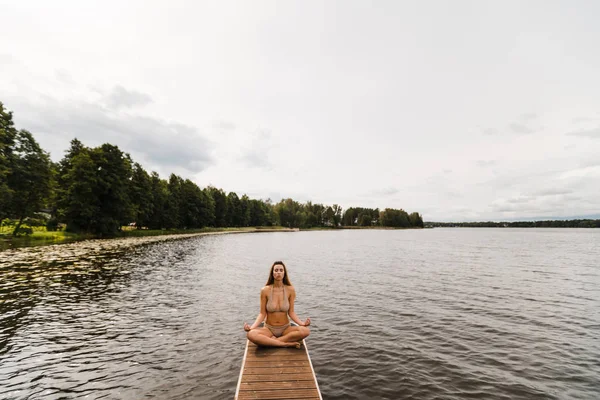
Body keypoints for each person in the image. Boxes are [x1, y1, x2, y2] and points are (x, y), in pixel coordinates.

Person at [244, 261, 311, 348]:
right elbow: (262, 313)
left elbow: (291, 312)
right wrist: (251, 327)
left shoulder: (290, 290)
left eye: (281, 270)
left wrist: (302, 323)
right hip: (269, 329)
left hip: (286, 328)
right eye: (276, 270)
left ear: (284, 273)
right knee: (251, 334)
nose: (278, 272)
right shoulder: (265, 290)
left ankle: (274, 342)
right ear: (272, 273)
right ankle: (285, 344)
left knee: (305, 331)